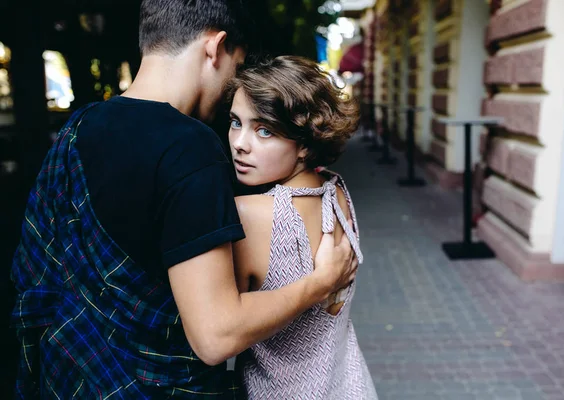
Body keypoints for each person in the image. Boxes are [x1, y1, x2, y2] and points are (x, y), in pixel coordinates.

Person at [9, 1, 357, 398]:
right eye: (236, 67)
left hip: (67, 379)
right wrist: (320, 284)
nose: (231, 86)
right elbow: (216, 337)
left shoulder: (78, 128)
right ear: (215, 47)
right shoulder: (190, 148)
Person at [228, 56, 378, 399]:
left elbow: (220, 327)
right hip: (351, 386)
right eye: (236, 122)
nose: (240, 142)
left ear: (306, 143)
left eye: (264, 130)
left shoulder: (249, 215)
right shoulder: (337, 191)